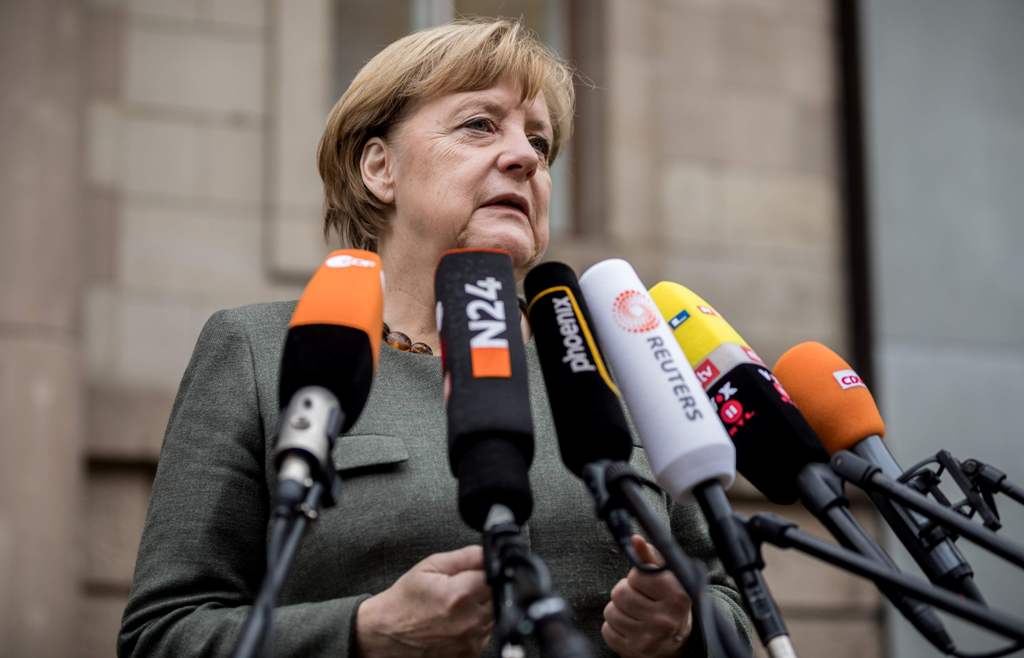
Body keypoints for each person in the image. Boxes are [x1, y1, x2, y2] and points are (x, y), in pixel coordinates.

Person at [118, 18, 751, 658]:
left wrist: (686, 623)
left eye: (540, 140)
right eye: (480, 125)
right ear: (379, 168)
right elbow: (163, 633)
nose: (526, 156)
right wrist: (363, 632)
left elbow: (737, 606)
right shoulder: (258, 349)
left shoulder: (614, 361)